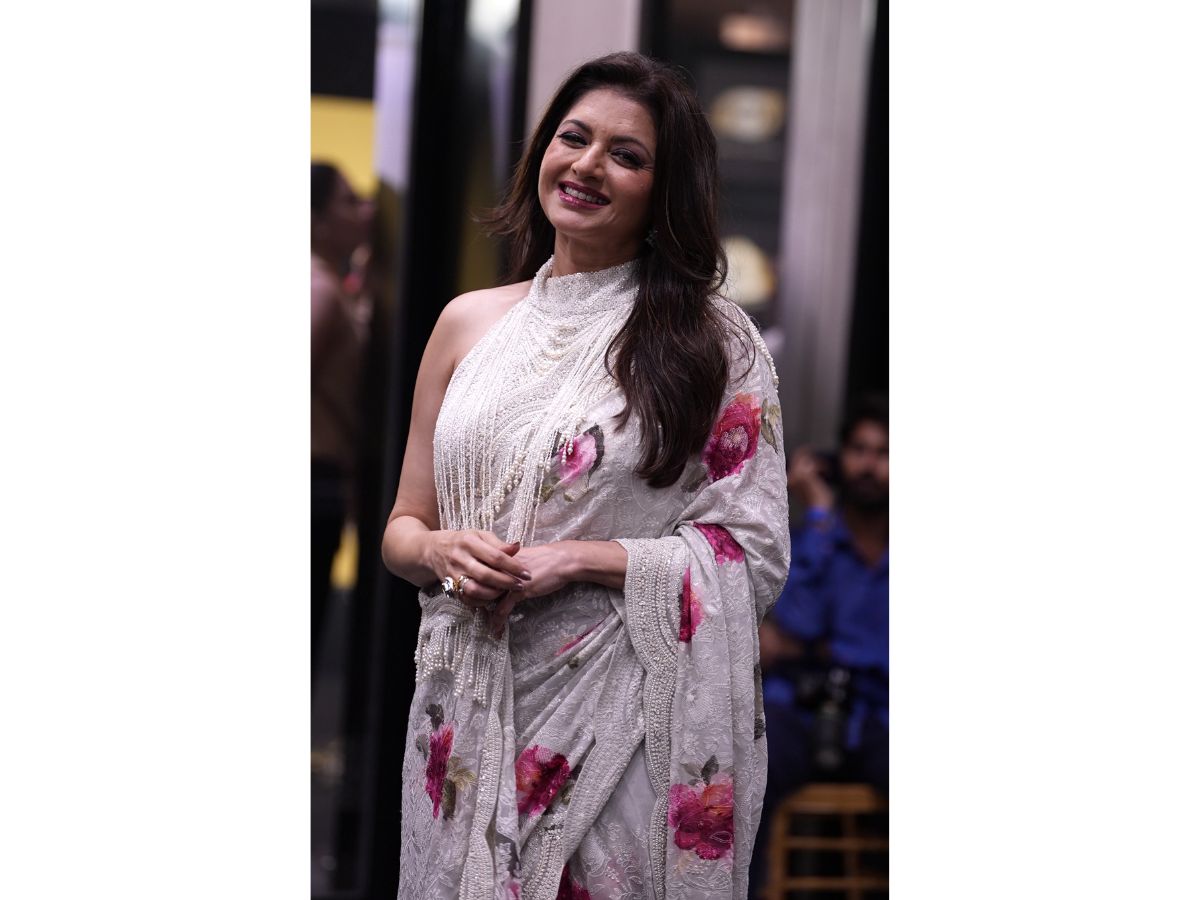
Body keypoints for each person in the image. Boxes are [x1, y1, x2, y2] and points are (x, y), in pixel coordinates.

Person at [381, 52, 790, 899]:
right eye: (574, 138)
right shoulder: (468, 323)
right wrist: (443, 552)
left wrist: (578, 560)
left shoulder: (712, 344)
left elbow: (751, 552)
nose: (588, 165)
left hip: (620, 718)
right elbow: (403, 528)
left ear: (664, 189)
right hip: (465, 699)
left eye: (626, 155)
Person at [748, 396, 889, 898]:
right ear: (838, 457)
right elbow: (799, 624)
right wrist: (822, 517)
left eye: (884, 453)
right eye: (859, 450)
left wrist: (829, 652)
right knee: (750, 765)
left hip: (880, 714)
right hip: (802, 709)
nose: (869, 465)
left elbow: (797, 641)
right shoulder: (813, 537)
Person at [312, 162, 374, 687]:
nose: (366, 211)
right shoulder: (318, 289)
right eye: (349, 201)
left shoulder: (332, 283)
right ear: (316, 220)